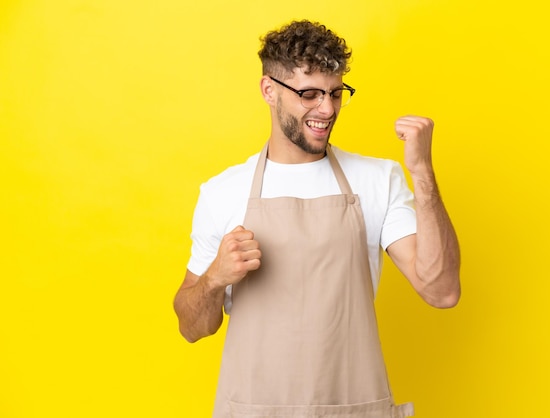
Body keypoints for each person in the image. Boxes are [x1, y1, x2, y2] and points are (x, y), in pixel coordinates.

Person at [174, 19, 461, 418]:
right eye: (309, 93)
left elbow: (442, 291)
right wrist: (214, 279)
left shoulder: (378, 179)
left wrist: (423, 173)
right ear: (269, 91)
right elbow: (192, 327)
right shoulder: (223, 192)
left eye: (336, 93)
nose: (326, 109)